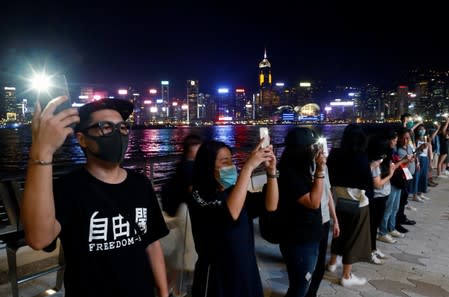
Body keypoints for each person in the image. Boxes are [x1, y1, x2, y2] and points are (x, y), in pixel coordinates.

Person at [21, 97, 170, 297]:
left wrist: (162, 291)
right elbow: (38, 239)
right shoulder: (68, 188)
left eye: (122, 127)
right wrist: (43, 151)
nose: (117, 134)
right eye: (105, 127)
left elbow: (151, 243)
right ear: (82, 139)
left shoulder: (140, 184)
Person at [188, 139, 278, 297]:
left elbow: (270, 205)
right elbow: (230, 215)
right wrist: (248, 167)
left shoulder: (234, 192)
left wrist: (271, 172)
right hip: (216, 276)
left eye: (231, 161)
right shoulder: (198, 195)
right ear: (208, 165)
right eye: (224, 162)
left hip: (245, 271)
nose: (230, 166)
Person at [277, 127, 335, 297]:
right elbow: (313, 202)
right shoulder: (290, 174)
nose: (315, 150)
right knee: (299, 285)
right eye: (312, 147)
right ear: (300, 150)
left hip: (309, 234)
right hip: (298, 238)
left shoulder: (302, 169)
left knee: (305, 281)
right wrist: (319, 171)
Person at [326, 124, 372, 288]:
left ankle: (332, 263)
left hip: (339, 201)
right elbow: (368, 185)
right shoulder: (362, 157)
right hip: (358, 204)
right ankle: (346, 275)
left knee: (339, 232)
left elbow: (329, 177)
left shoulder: (335, 154)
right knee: (354, 238)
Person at [162, 134, 202, 296]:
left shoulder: (183, 165)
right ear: (191, 150)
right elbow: (193, 192)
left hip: (179, 212)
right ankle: (178, 289)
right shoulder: (190, 167)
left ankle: (172, 288)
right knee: (186, 256)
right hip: (186, 215)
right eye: (198, 148)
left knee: (179, 258)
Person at [366, 134, 395, 263]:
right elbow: (377, 185)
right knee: (373, 226)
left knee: (374, 225)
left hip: (381, 197)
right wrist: (390, 174)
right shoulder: (375, 163)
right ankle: (371, 251)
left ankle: (373, 248)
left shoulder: (380, 161)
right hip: (376, 198)